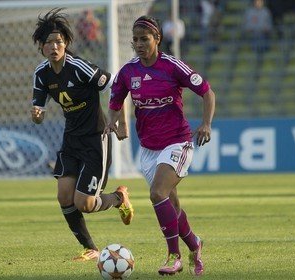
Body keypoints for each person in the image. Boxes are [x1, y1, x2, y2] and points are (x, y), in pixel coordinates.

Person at [104, 15, 216, 276]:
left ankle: (174, 255)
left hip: (178, 143)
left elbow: (207, 92)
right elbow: (115, 100)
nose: (139, 44)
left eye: (145, 39)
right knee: (171, 205)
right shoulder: (128, 71)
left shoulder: (172, 66)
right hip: (148, 149)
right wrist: (116, 123)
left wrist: (206, 124)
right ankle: (194, 244)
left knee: (157, 193)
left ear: (157, 39)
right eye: (135, 40)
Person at [30, 8, 134, 262]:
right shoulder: (41, 75)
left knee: (84, 204)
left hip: (96, 137)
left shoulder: (79, 68)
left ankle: (119, 198)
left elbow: (117, 86)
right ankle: (91, 248)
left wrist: (121, 123)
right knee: (64, 196)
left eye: (59, 42)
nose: (55, 46)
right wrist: (37, 115)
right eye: (49, 42)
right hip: (71, 139)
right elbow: (39, 112)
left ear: (66, 44)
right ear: (41, 46)